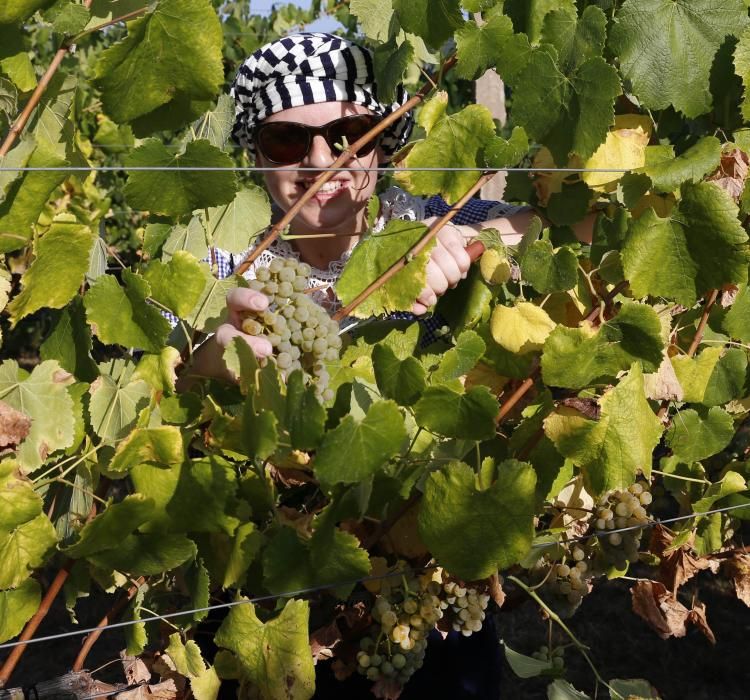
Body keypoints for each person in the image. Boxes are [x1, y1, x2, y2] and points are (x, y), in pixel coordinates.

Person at [177, 32, 544, 389]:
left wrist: (463, 240)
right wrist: (206, 366)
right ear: (256, 158)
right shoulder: (219, 260)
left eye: (351, 134)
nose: (320, 162)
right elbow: (153, 390)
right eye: (286, 140)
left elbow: (578, 225)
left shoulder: (427, 218)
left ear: (383, 148)